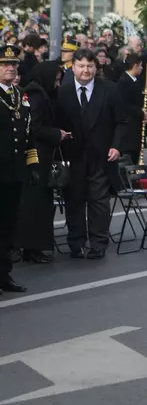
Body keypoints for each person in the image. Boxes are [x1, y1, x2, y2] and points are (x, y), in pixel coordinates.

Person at [55, 48, 126, 260]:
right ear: (73, 67)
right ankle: (76, 243)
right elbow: (55, 122)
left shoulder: (110, 90)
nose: (86, 70)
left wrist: (116, 146)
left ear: (96, 67)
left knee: (99, 202)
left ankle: (98, 243)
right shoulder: (64, 92)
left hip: (101, 156)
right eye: (81, 66)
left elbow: (122, 122)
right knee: (74, 200)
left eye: (90, 66)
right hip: (72, 156)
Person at [17, 61, 65, 263]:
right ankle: (31, 248)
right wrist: (56, 134)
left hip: (42, 155)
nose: (57, 84)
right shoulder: (36, 95)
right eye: (55, 80)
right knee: (34, 204)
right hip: (37, 157)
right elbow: (34, 128)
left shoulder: (41, 93)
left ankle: (35, 246)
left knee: (41, 203)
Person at [0, 45, 38, 292]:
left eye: (13, 64)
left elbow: (27, 133)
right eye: (4, 64)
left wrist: (32, 163)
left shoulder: (20, 95)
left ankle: (4, 275)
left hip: (14, 171)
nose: (11, 68)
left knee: (8, 225)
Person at [117, 54, 147, 162]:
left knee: (136, 151)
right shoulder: (123, 81)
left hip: (137, 122)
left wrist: (145, 112)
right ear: (135, 65)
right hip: (129, 124)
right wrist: (141, 113)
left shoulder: (136, 80)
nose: (142, 68)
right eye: (140, 65)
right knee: (129, 154)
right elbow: (125, 105)